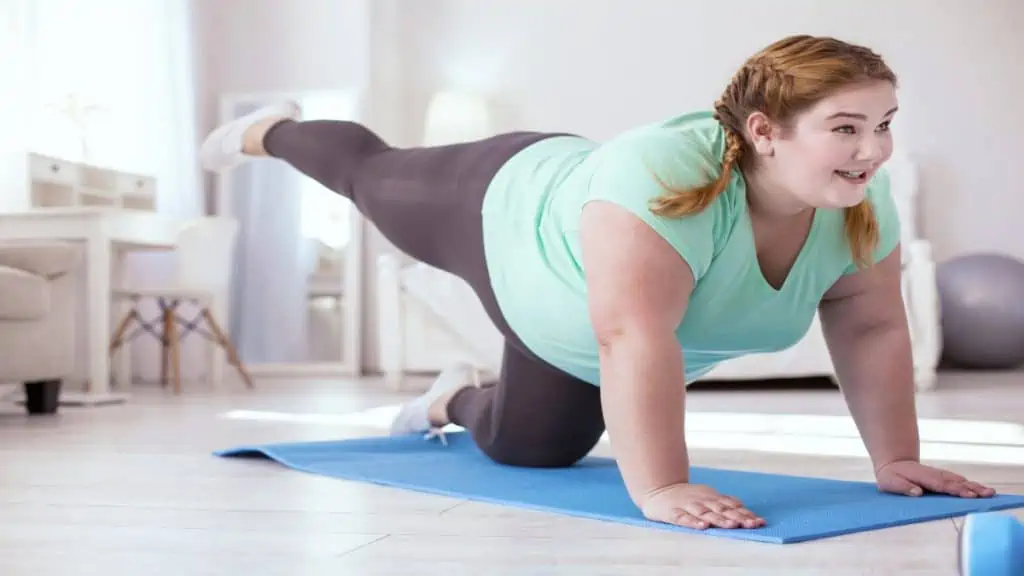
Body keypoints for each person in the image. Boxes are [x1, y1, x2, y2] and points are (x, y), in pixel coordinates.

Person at [200, 34, 997, 531]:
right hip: (503, 206)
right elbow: (633, 334)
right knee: (369, 175)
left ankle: (446, 400)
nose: (874, 150)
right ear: (765, 132)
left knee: (530, 450)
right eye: (848, 128)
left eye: (885, 123)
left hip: (562, 326)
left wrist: (896, 458)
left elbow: (870, 326)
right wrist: (662, 487)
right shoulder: (660, 172)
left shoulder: (859, 201)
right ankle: (273, 128)